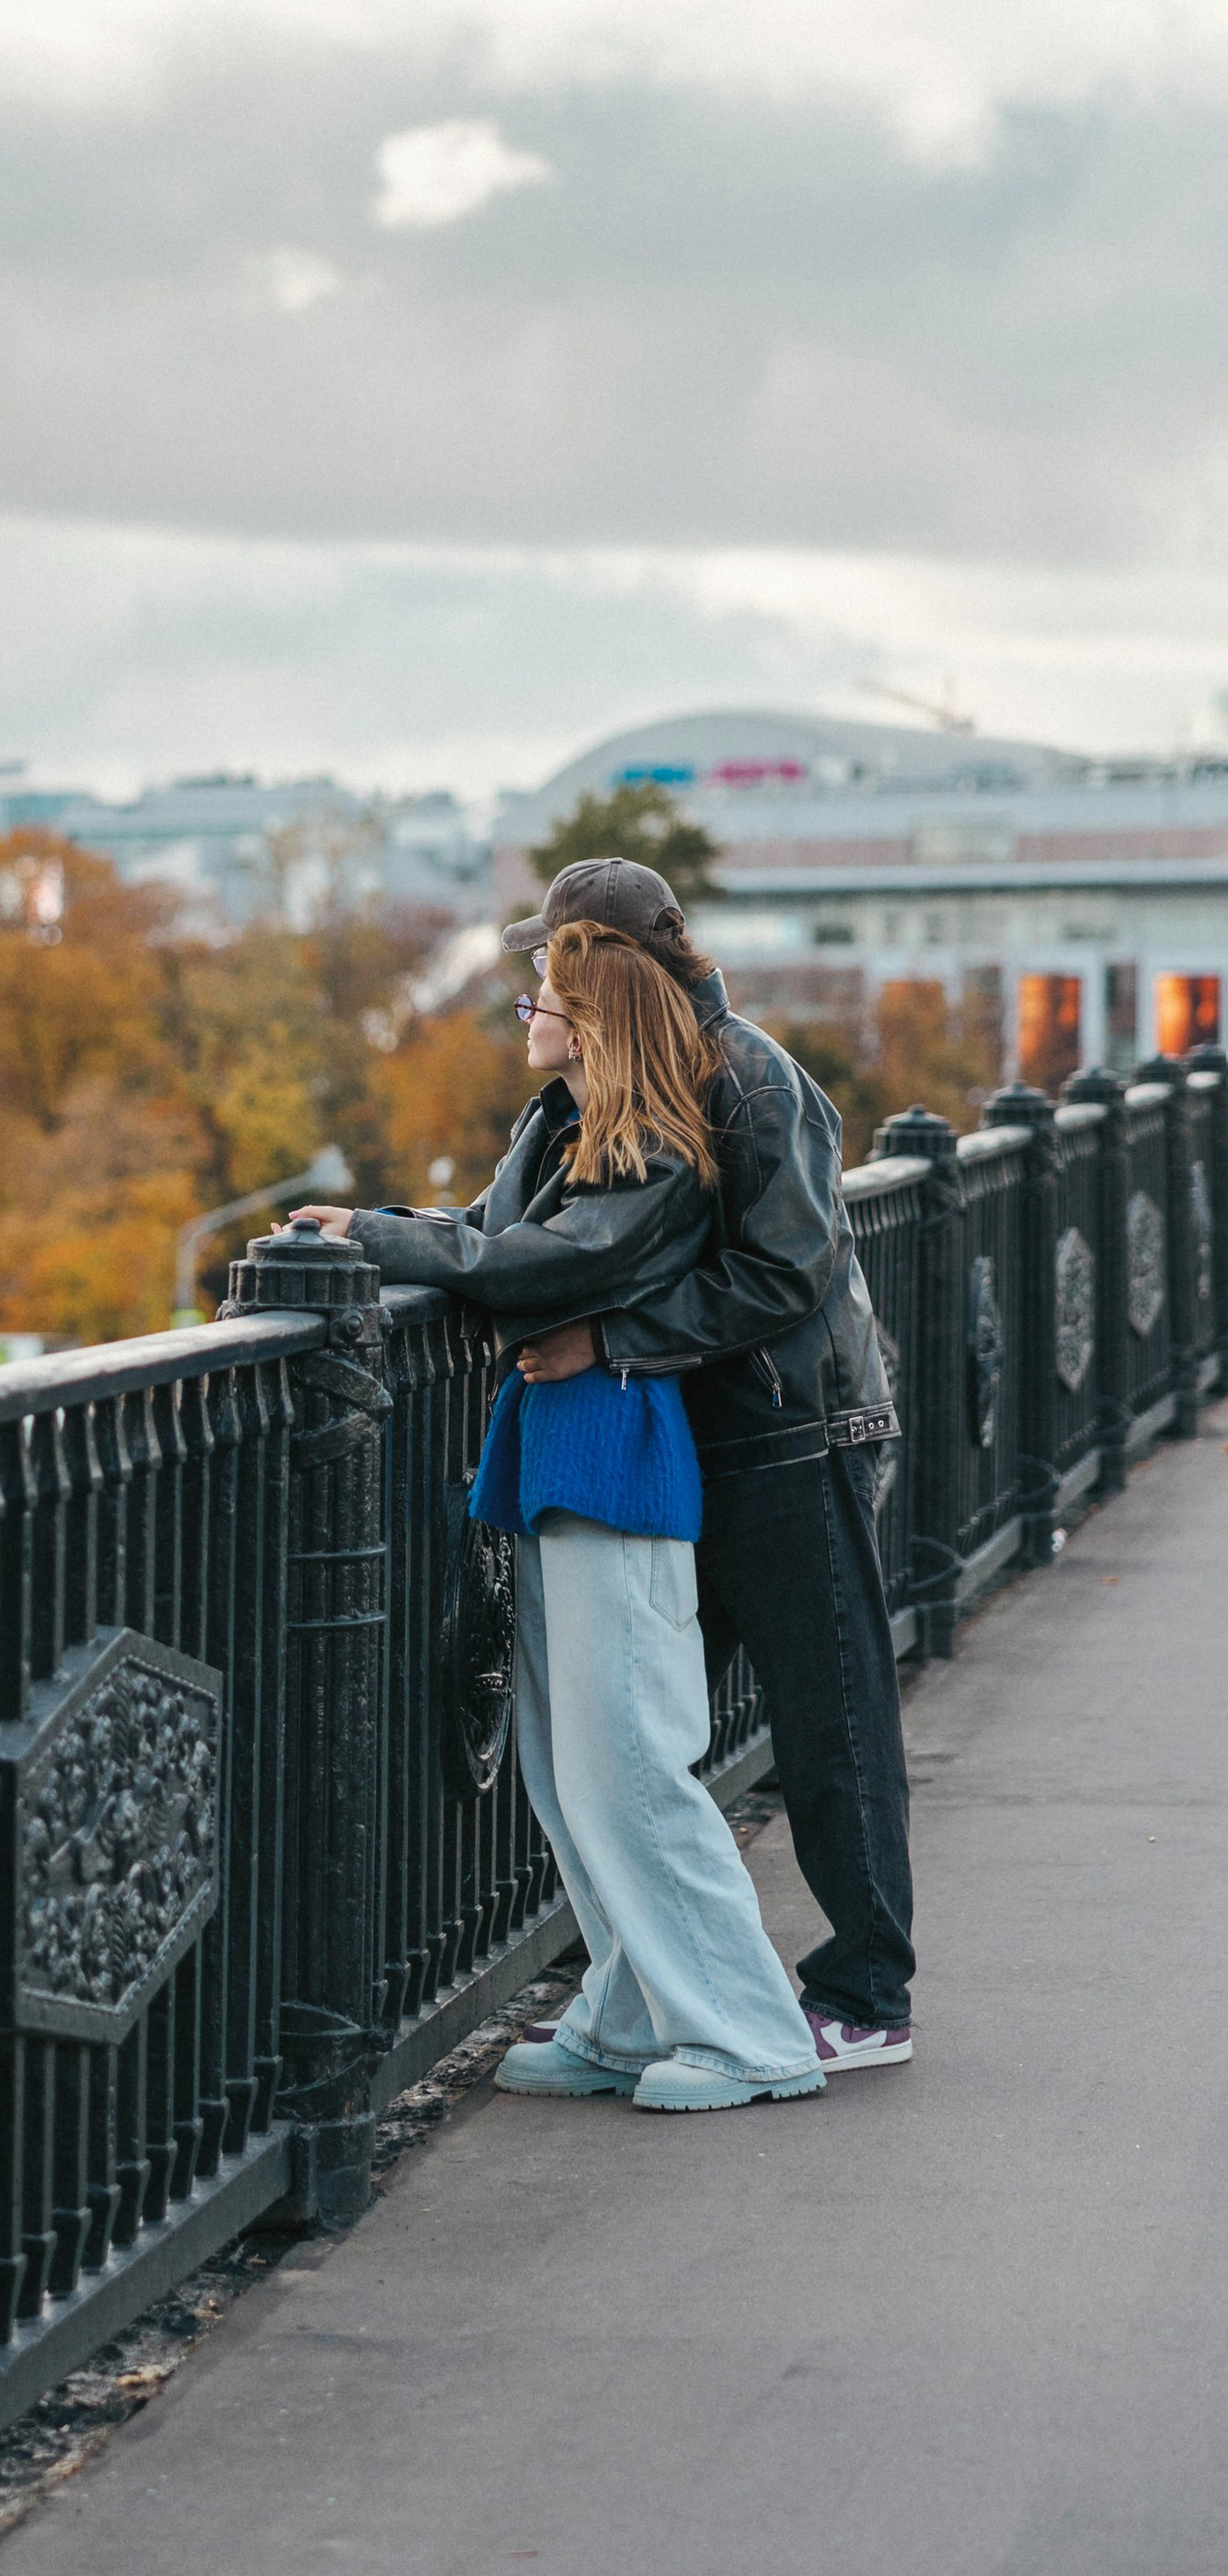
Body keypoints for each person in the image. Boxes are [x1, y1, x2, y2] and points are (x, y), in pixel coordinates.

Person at [360, 857, 914, 2076]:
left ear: (604, 966)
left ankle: (866, 1995)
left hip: (794, 1431)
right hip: (674, 1436)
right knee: (623, 1744)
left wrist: (612, 1339)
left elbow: (784, 1273)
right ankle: (640, 2001)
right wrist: (396, 1237)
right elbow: (515, 1238)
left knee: (827, 1721)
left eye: (552, 964)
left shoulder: (747, 1076)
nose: (533, 987)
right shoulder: (588, 1094)